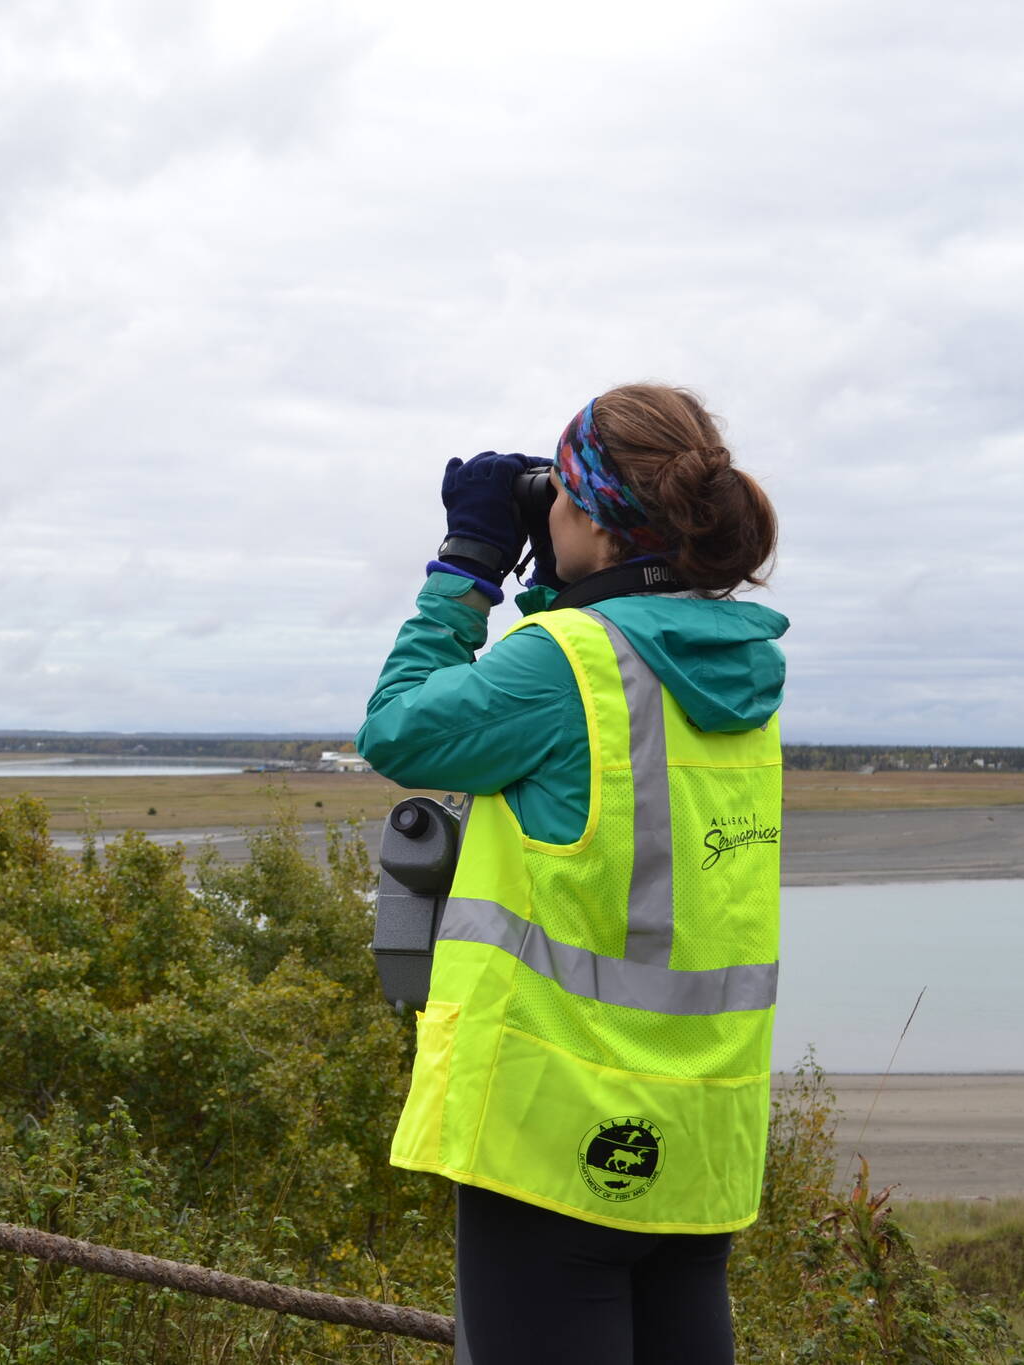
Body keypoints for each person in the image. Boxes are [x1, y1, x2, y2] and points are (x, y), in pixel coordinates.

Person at [357, 383, 786, 1364]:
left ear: (589, 514)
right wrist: (565, 571)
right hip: (696, 1134)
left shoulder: (565, 665)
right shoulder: (735, 671)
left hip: (550, 1138)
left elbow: (398, 727)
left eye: (559, 494)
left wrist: (466, 566)